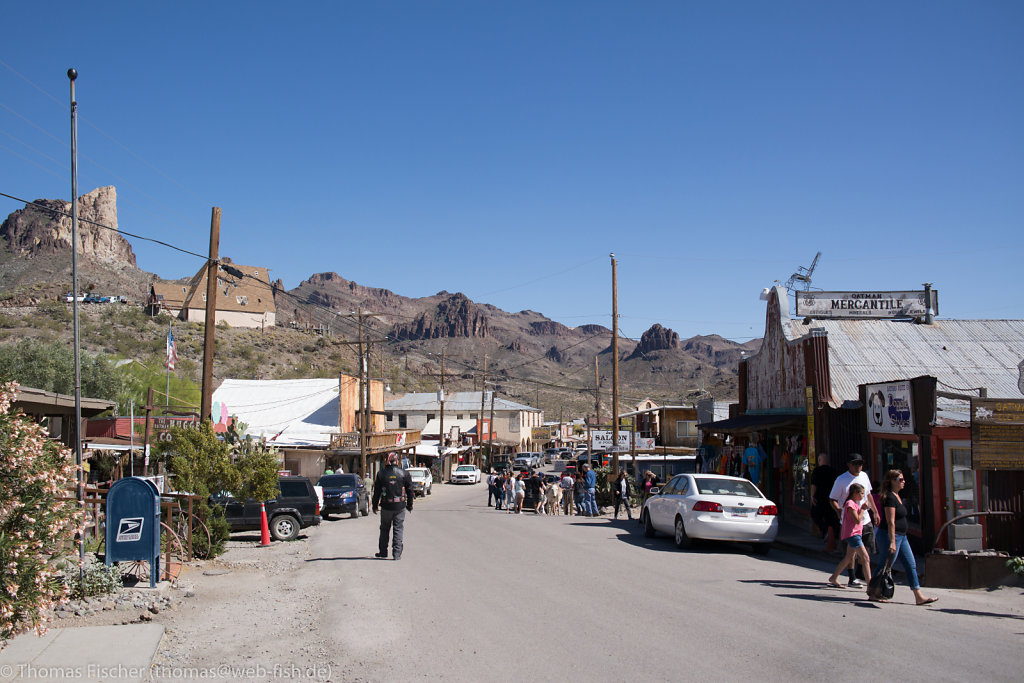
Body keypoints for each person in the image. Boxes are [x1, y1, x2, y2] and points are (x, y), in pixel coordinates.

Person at [873, 469, 938, 606]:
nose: (903, 482)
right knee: (885, 564)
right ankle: (873, 591)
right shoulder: (889, 497)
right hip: (890, 536)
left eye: (903, 479)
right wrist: (892, 541)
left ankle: (918, 596)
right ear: (891, 481)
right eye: (900, 480)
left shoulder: (897, 496)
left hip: (902, 536)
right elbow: (890, 521)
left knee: (911, 564)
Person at [829, 454, 878, 586]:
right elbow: (833, 499)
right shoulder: (842, 481)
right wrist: (839, 511)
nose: (858, 467)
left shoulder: (864, 476)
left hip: (865, 522)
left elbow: (869, 495)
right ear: (849, 464)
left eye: (860, 464)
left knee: (852, 555)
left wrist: (875, 512)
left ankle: (835, 577)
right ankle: (867, 584)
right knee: (864, 557)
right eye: (855, 464)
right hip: (852, 528)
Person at [827, 483, 872, 590]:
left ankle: (833, 577)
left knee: (848, 558)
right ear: (854, 493)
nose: (862, 496)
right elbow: (857, 520)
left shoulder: (854, 503)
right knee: (865, 557)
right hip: (853, 534)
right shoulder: (850, 504)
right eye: (861, 493)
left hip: (855, 534)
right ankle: (870, 585)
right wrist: (863, 509)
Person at [371, 452, 414, 561]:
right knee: (398, 529)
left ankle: (383, 552)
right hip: (400, 505)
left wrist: (374, 505)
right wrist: (410, 505)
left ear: (387, 461)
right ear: (397, 461)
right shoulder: (404, 474)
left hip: (386, 505)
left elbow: (377, 491)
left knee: (384, 528)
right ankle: (397, 554)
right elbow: (410, 490)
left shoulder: (381, 474)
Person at [810, 452, 839, 551]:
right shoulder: (834, 471)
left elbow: (814, 485)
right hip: (832, 497)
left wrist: (812, 496)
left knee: (815, 514)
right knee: (830, 516)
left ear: (819, 461)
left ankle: (826, 531)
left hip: (820, 497)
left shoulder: (817, 471)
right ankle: (830, 532)